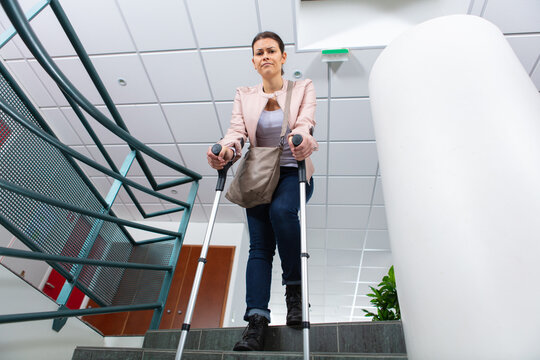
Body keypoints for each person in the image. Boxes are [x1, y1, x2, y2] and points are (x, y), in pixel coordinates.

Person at [206, 31, 318, 351]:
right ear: (254, 62)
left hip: (291, 173)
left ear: (283, 57)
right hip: (257, 176)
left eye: (271, 50)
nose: (265, 56)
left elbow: (304, 124)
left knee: (282, 212)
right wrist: (224, 152)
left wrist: (303, 140)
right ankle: (256, 321)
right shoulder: (245, 95)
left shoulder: (302, 89)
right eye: (259, 53)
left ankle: (295, 292)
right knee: (259, 248)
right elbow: (236, 133)